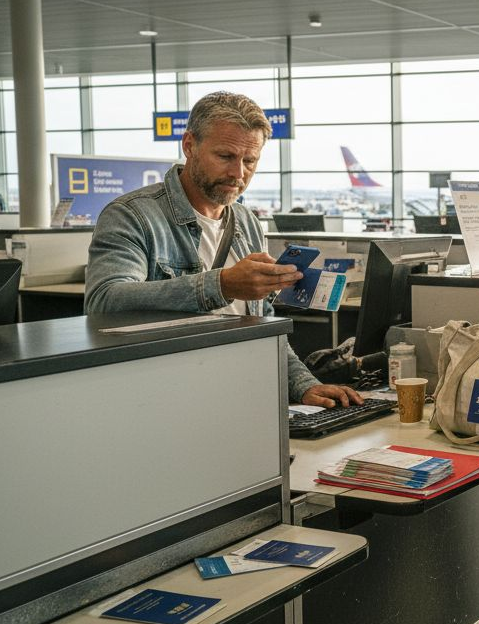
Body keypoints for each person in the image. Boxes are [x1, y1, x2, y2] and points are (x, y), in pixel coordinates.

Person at [85, 91, 361, 408]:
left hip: (238, 393)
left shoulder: (247, 223)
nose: (238, 173)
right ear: (189, 145)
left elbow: (263, 324)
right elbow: (103, 302)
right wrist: (222, 285)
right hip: (165, 399)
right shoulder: (133, 216)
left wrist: (302, 386)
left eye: (249, 161)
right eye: (225, 157)